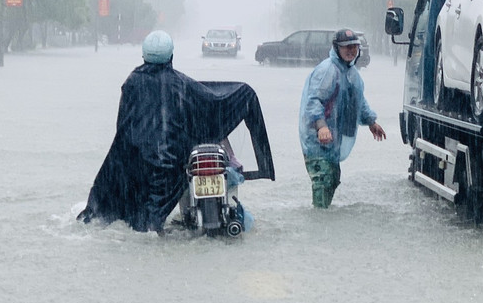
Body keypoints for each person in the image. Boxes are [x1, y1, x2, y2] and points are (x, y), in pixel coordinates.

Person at [78, 31, 274, 232]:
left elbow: (124, 127)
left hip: (138, 164)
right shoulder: (181, 84)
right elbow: (212, 102)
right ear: (171, 56)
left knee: (117, 209)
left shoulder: (132, 83)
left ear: (144, 56)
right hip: (170, 166)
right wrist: (244, 93)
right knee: (152, 216)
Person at [299, 28, 385, 208]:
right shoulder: (328, 70)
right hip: (317, 142)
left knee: (332, 179)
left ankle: (323, 221)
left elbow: (359, 102)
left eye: (354, 46)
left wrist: (371, 122)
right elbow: (313, 101)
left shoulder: (352, 74)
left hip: (333, 143)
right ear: (336, 48)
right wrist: (321, 126)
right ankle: (319, 226)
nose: (350, 50)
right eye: (346, 47)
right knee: (322, 181)